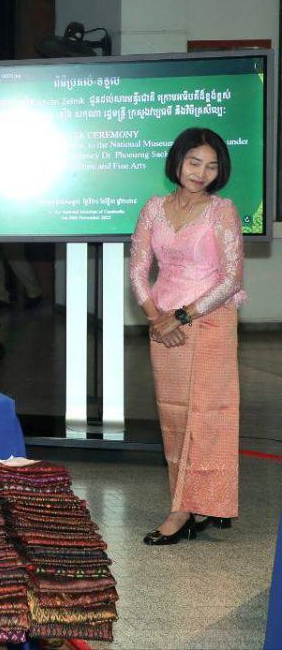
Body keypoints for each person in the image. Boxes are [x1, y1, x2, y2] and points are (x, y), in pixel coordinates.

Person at [130, 127, 244, 545]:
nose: (201, 172)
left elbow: (231, 279)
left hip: (209, 319)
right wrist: (156, 317)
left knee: (209, 415)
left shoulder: (222, 211)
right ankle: (195, 503)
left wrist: (181, 316)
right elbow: (138, 268)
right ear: (177, 161)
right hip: (164, 325)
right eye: (194, 162)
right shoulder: (154, 208)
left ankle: (188, 508)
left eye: (211, 166)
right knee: (175, 415)